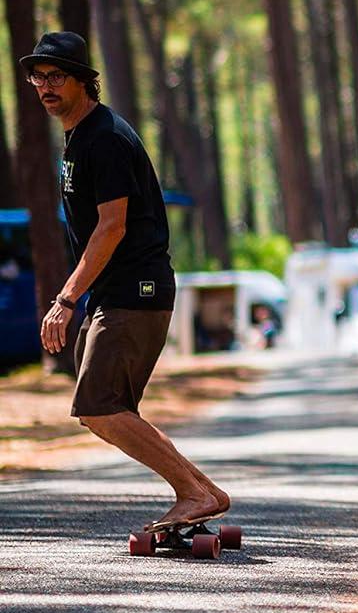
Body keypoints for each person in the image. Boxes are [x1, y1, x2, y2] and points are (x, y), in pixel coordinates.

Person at [25, 31, 231, 530]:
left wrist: (67, 298)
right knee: (106, 406)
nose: (45, 86)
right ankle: (203, 492)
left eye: (56, 76)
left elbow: (112, 226)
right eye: (38, 77)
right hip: (119, 292)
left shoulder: (106, 138)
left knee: (98, 404)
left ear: (84, 82)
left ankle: (194, 492)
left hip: (134, 291)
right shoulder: (81, 137)